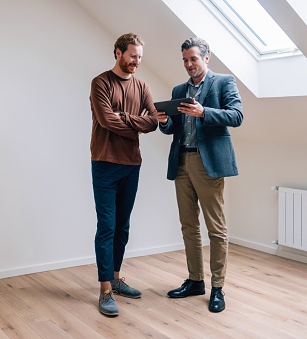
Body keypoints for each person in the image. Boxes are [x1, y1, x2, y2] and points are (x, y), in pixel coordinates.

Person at [156, 37, 243, 313]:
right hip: (182, 160)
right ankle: (195, 281)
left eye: (193, 59)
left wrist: (204, 111)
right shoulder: (179, 89)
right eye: (184, 60)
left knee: (216, 229)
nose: (188, 64)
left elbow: (236, 115)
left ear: (206, 58)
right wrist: (165, 121)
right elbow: (174, 129)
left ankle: (217, 287)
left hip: (209, 164)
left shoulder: (223, 82)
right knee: (188, 226)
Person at [90, 33, 158, 316]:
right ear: (118, 53)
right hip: (105, 163)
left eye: (140, 57)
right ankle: (105, 289)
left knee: (123, 226)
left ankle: (116, 278)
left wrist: (127, 119)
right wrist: (137, 123)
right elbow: (106, 120)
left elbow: (154, 121)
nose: (137, 62)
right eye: (133, 56)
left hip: (132, 164)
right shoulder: (100, 83)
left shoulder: (142, 86)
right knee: (107, 226)